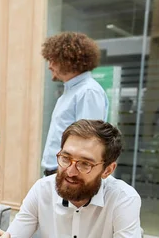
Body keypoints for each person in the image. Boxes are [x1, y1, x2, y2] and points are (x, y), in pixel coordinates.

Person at [8, 120, 141, 238]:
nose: (70, 171)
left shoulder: (123, 200)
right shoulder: (42, 190)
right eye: (65, 158)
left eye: (85, 164)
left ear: (108, 170)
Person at [41, 32, 109, 176]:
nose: (49, 66)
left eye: (53, 60)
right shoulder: (71, 92)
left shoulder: (88, 91)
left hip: (69, 173)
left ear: (69, 60)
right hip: (58, 170)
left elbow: (88, 141)